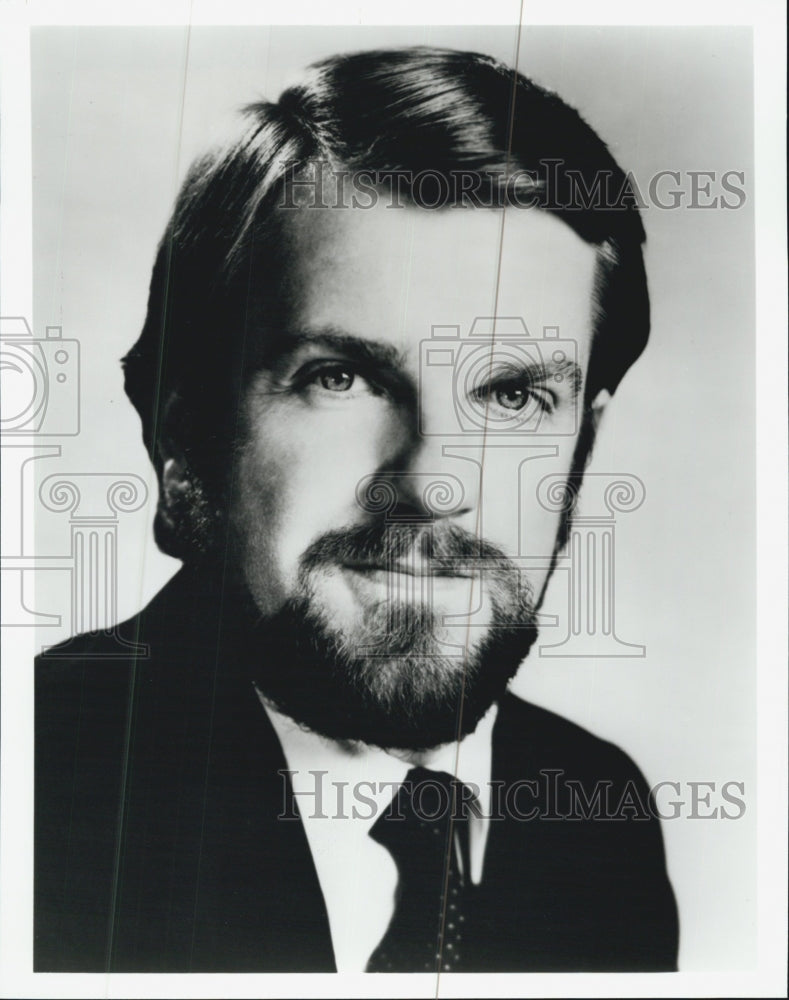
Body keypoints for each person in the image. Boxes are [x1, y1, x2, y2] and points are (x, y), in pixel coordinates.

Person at [35, 46, 679, 973]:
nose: (435, 481)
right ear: (184, 437)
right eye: (341, 378)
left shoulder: (592, 812)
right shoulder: (42, 784)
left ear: (582, 444)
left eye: (511, 396)